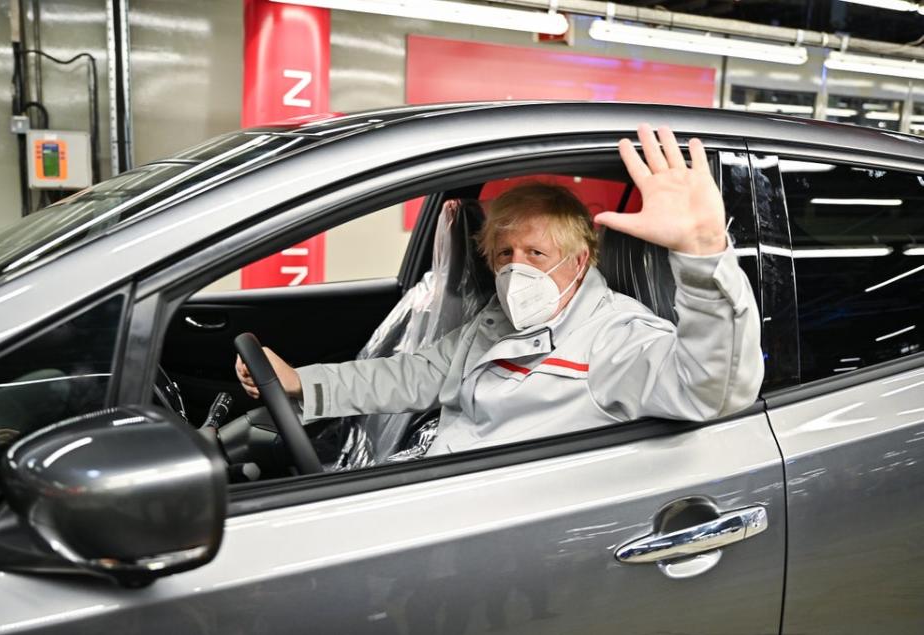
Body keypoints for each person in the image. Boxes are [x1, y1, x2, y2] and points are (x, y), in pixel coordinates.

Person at [236, 124, 764, 456]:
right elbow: (412, 375)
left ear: (580, 261)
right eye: (504, 254)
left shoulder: (613, 337)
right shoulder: (495, 324)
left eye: (536, 254)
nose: (517, 270)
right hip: (444, 485)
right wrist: (300, 381)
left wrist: (701, 256)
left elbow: (711, 388)